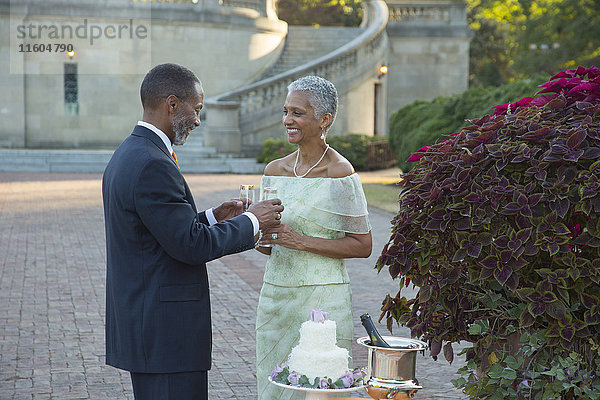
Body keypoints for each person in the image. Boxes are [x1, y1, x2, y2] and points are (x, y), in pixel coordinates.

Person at [102, 63, 284, 400]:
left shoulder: (131, 151)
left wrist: (213, 217)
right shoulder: (152, 163)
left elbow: (157, 231)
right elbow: (189, 246)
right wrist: (254, 221)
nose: (198, 119)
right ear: (172, 104)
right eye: (196, 108)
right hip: (165, 333)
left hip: (149, 328)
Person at [255, 75, 373, 399]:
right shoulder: (273, 171)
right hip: (275, 297)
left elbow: (363, 245)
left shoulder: (341, 174)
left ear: (325, 120)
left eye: (297, 113)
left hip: (323, 300)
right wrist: (256, 231)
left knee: (319, 389)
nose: (287, 120)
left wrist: (302, 241)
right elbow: (269, 246)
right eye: (286, 111)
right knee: (273, 388)